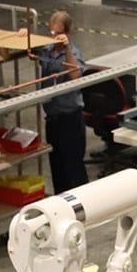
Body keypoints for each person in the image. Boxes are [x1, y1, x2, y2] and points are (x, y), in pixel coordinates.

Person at [32, 10, 88, 193]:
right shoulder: (48, 49)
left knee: (73, 166)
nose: (55, 37)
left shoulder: (74, 53)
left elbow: (75, 74)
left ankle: (82, 203)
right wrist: (24, 36)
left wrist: (67, 49)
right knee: (57, 165)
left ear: (68, 33)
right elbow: (31, 51)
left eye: (59, 33)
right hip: (53, 117)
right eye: (52, 33)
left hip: (70, 119)